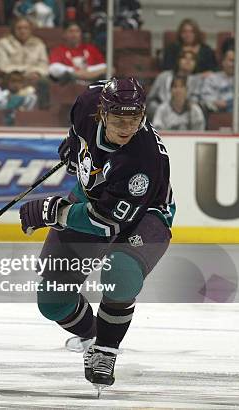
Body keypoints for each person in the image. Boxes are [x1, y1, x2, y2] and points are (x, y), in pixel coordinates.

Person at [19, 77, 175, 391]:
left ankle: (106, 350)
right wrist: (73, 145)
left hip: (145, 216)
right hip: (94, 196)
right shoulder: (87, 103)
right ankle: (93, 336)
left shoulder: (142, 159)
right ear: (102, 112)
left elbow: (106, 223)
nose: (126, 127)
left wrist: (55, 212)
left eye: (134, 120)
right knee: (52, 300)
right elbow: (79, 131)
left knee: (120, 272)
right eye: (118, 119)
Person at [0, 17, 49, 108]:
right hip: (10, 78)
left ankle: (43, 113)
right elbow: (1, 65)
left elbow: (44, 65)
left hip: (33, 78)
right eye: (19, 28)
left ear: (30, 30)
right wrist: (23, 73)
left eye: (26, 28)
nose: (22, 31)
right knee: (13, 80)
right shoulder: (3, 43)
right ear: (13, 29)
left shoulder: (39, 44)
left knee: (44, 81)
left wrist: (37, 73)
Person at [146, 50, 202, 118]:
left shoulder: (196, 80)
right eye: (184, 58)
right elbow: (151, 98)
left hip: (186, 114)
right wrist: (161, 109)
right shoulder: (163, 76)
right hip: (161, 112)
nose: (188, 61)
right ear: (178, 61)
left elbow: (195, 100)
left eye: (192, 59)